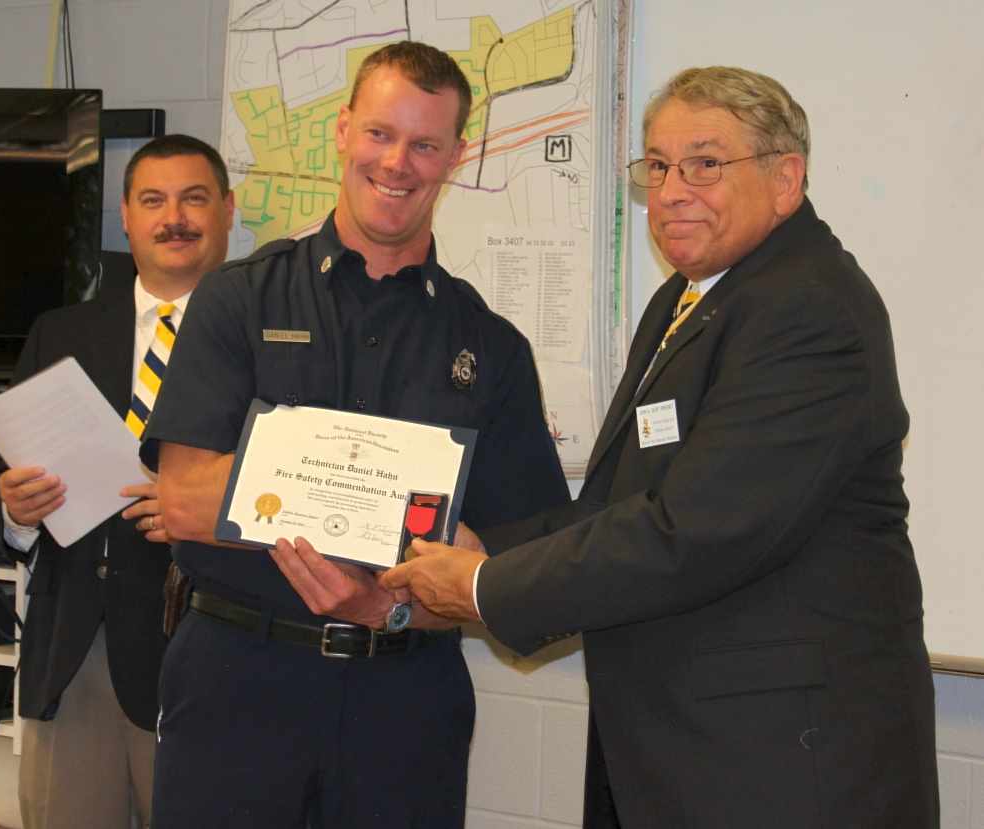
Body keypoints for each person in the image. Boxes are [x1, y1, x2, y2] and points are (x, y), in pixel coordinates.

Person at [383, 65, 940, 828]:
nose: (672, 190)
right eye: (657, 166)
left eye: (705, 164)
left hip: (779, 768)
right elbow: (619, 505)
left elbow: (696, 530)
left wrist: (485, 587)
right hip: (685, 751)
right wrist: (487, 546)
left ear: (786, 178)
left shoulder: (807, 309)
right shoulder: (694, 296)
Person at [139, 41, 568, 829]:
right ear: (341, 131)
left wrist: (390, 604)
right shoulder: (237, 300)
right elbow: (187, 498)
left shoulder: (492, 347)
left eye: (424, 144)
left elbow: (511, 572)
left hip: (403, 701)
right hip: (235, 680)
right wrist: (401, 526)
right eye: (378, 133)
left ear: (456, 158)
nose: (396, 162)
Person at [0, 134, 234, 829]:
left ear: (227, 211)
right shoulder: (61, 332)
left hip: (213, 659)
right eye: (153, 200)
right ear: (125, 216)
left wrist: (205, 505)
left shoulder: (267, 340)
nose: (173, 216)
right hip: (75, 654)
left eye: (193, 198)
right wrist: (13, 506)